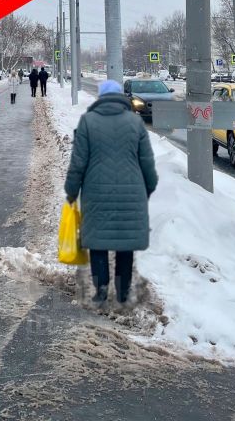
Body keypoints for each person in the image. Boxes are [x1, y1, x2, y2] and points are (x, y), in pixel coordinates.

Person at [64, 79, 158, 305]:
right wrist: (147, 188)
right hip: (131, 193)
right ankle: (123, 292)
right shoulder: (135, 122)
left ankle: (102, 290)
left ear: (101, 98)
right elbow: (147, 161)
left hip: (96, 194)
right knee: (125, 246)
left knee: (98, 244)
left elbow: (78, 162)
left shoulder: (88, 121)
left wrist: (71, 190)